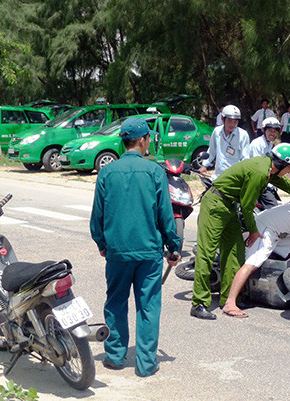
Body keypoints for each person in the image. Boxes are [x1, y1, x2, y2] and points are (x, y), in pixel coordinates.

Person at [191, 143, 290, 320]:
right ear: (282, 164)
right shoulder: (260, 172)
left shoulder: (268, 168)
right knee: (206, 253)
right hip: (216, 204)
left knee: (236, 253)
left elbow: (287, 185)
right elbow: (247, 207)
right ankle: (199, 303)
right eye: (289, 169)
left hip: (230, 206)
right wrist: (254, 231)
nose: (288, 172)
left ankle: (229, 300)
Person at [90, 117, 181, 376]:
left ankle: (115, 357)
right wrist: (172, 246)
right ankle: (145, 364)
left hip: (117, 251)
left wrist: (102, 243)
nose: (149, 141)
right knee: (148, 306)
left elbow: (98, 213)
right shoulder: (154, 171)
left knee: (116, 302)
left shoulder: (107, 171)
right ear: (142, 140)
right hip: (149, 252)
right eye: (148, 138)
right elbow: (165, 214)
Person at [199, 105, 250, 180]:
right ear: (223, 119)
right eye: (229, 120)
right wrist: (204, 165)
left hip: (234, 177)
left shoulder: (243, 135)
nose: (232, 124)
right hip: (218, 175)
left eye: (235, 121)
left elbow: (245, 157)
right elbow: (212, 150)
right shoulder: (217, 132)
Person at [246, 116, 282, 208]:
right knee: (273, 208)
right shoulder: (257, 144)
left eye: (275, 131)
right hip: (257, 182)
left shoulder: (269, 144)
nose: (272, 134)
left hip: (265, 180)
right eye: (270, 130)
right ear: (263, 130)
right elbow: (258, 167)